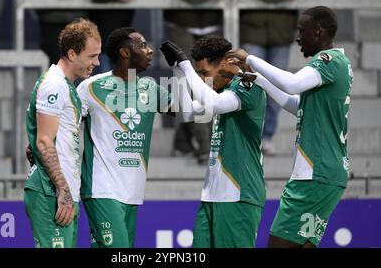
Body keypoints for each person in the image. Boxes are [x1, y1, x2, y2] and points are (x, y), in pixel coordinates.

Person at [231, 6, 353, 248]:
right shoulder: (339, 63)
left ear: (318, 31)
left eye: (301, 30)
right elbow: (297, 104)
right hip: (327, 172)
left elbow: (293, 84)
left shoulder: (328, 61)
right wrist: (259, 80)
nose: (297, 37)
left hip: (315, 173)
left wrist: (250, 59)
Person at [160, 36, 266, 248]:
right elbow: (186, 113)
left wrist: (186, 65)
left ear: (227, 63)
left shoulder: (248, 86)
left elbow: (214, 103)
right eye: (198, 74)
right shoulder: (220, 91)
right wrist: (178, 71)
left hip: (238, 194)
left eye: (205, 73)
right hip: (212, 195)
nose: (201, 79)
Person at [77, 27, 173, 248]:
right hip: (101, 188)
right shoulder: (91, 88)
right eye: (142, 45)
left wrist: (182, 68)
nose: (150, 51)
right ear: (125, 52)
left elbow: (193, 110)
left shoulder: (150, 88)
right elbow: (65, 126)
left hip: (132, 191)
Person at [24, 18, 101, 248]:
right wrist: (63, 191)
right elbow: (44, 141)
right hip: (52, 192)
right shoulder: (54, 85)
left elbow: (39, 141)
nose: (96, 62)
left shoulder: (65, 86)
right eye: (91, 56)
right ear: (71, 53)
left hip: (60, 190)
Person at [233, 0, 309, 155]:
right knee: (252, 85)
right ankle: (251, 135)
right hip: (252, 27)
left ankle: (267, 137)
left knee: (279, 84)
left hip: (282, 29)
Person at [160, 0, 232, 164]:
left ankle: (182, 141)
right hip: (180, 21)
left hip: (211, 20)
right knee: (190, 86)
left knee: (207, 85)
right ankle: (205, 145)